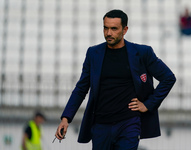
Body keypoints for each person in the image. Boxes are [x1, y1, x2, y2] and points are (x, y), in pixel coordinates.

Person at [55, 9, 176, 150]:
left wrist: (148, 104)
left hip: (129, 123)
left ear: (125, 30)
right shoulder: (93, 53)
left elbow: (168, 78)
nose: (108, 33)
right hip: (100, 124)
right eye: (105, 28)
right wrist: (66, 118)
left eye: (114, 29)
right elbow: (81, 88)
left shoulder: (143, 53)